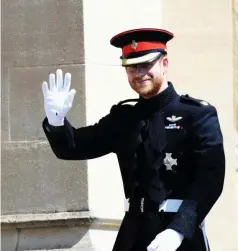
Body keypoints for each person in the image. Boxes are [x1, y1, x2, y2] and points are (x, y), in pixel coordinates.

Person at [41, 28, 225, 251]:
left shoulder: (196, 115)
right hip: (133, 236)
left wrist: (179, 229)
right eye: (132, 67)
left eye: (146, 65)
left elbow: (210, 179)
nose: (139, 74)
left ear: (164, 64)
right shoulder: (124, 118)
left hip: (179, 237)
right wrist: (57, 121)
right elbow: (74, 147)